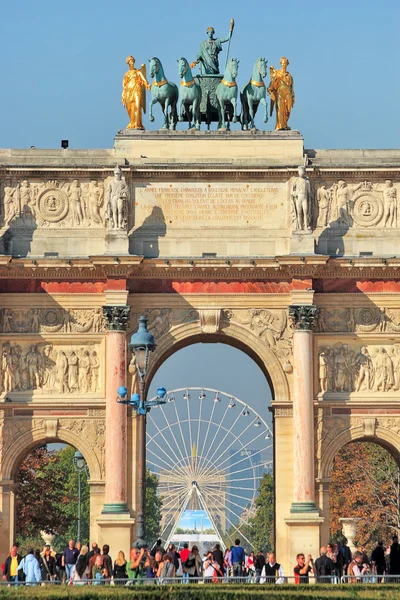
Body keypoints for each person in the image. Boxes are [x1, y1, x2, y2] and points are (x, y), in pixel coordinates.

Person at [268, 57, 295, 131]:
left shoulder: (289, 76)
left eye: (285, 64)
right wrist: (271, 88)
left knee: (287, 110)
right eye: (283, 63)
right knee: (280, 108)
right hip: (280, 93)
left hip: (288, 93)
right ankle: (280, 125)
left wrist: (293, 96)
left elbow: (292, 87)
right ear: (281, 64)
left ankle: (285, 124)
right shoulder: (277, 73)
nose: (284, 65)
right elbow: (273, 82)